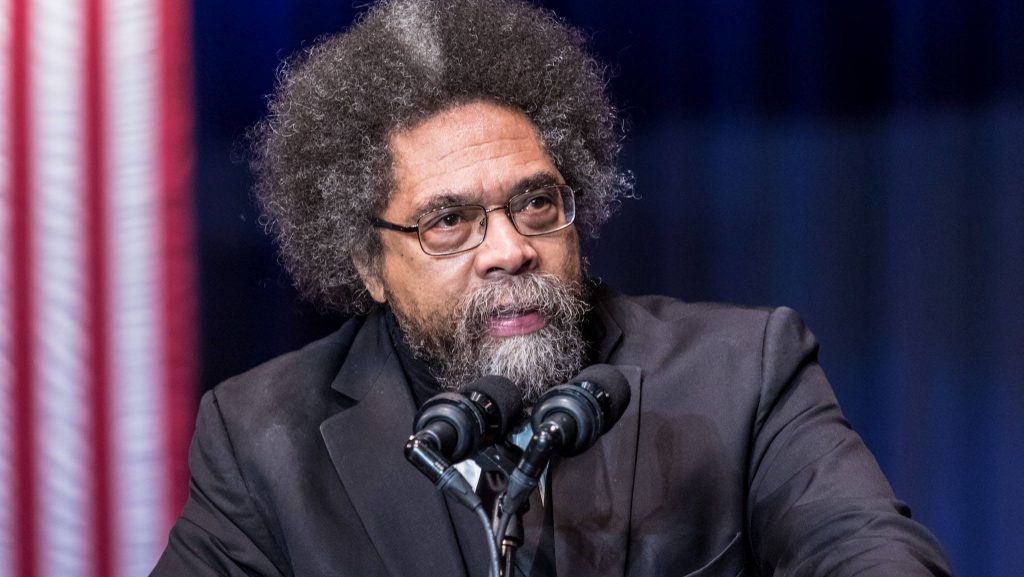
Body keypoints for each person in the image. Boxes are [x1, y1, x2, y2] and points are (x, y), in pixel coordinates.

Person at [152, 0, 951, 575]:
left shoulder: (745, 371)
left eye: (535, 203)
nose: (509, 249)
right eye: (449, 221)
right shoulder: (262, 437)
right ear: (368, 265)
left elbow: (870, 548)